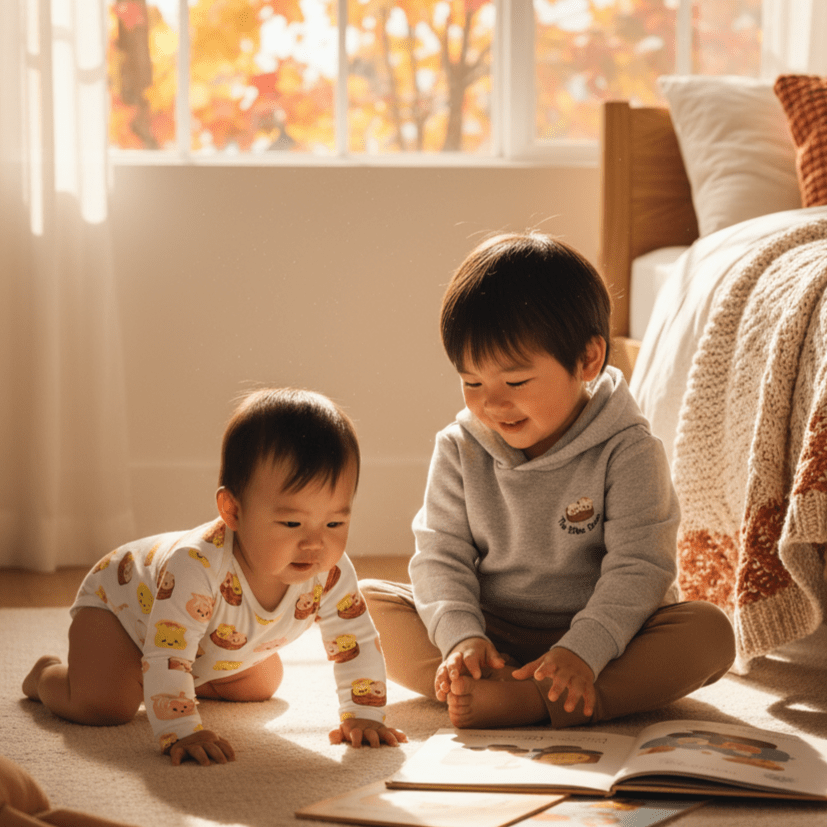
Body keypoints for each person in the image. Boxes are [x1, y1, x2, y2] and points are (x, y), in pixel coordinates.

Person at [361, 232, 735, 730]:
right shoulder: (459, 446)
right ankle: (485, 680)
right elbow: (440, 556)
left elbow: (640, 567)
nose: (491, 403)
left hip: (606, 636)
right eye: (472, 382)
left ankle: (546, 698)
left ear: (587, 361)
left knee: (709, 633)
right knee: (364, 604)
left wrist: (583, 649)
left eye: (515, 382)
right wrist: (461, 638)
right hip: (494, 633)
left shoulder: (628, 449)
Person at [23, 388, 406, 765]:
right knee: (107, 704)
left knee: (263, 683)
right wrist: (183, 729)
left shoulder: (332, 572)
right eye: (292, 522)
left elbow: (355, 640)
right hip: (119, 611)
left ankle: (196, 676)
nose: (314, 543)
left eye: (335, 522)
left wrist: (363, 714)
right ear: (233, 511)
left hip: (205, 643)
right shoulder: (195, 568)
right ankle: (47, 676)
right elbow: (168, 652)